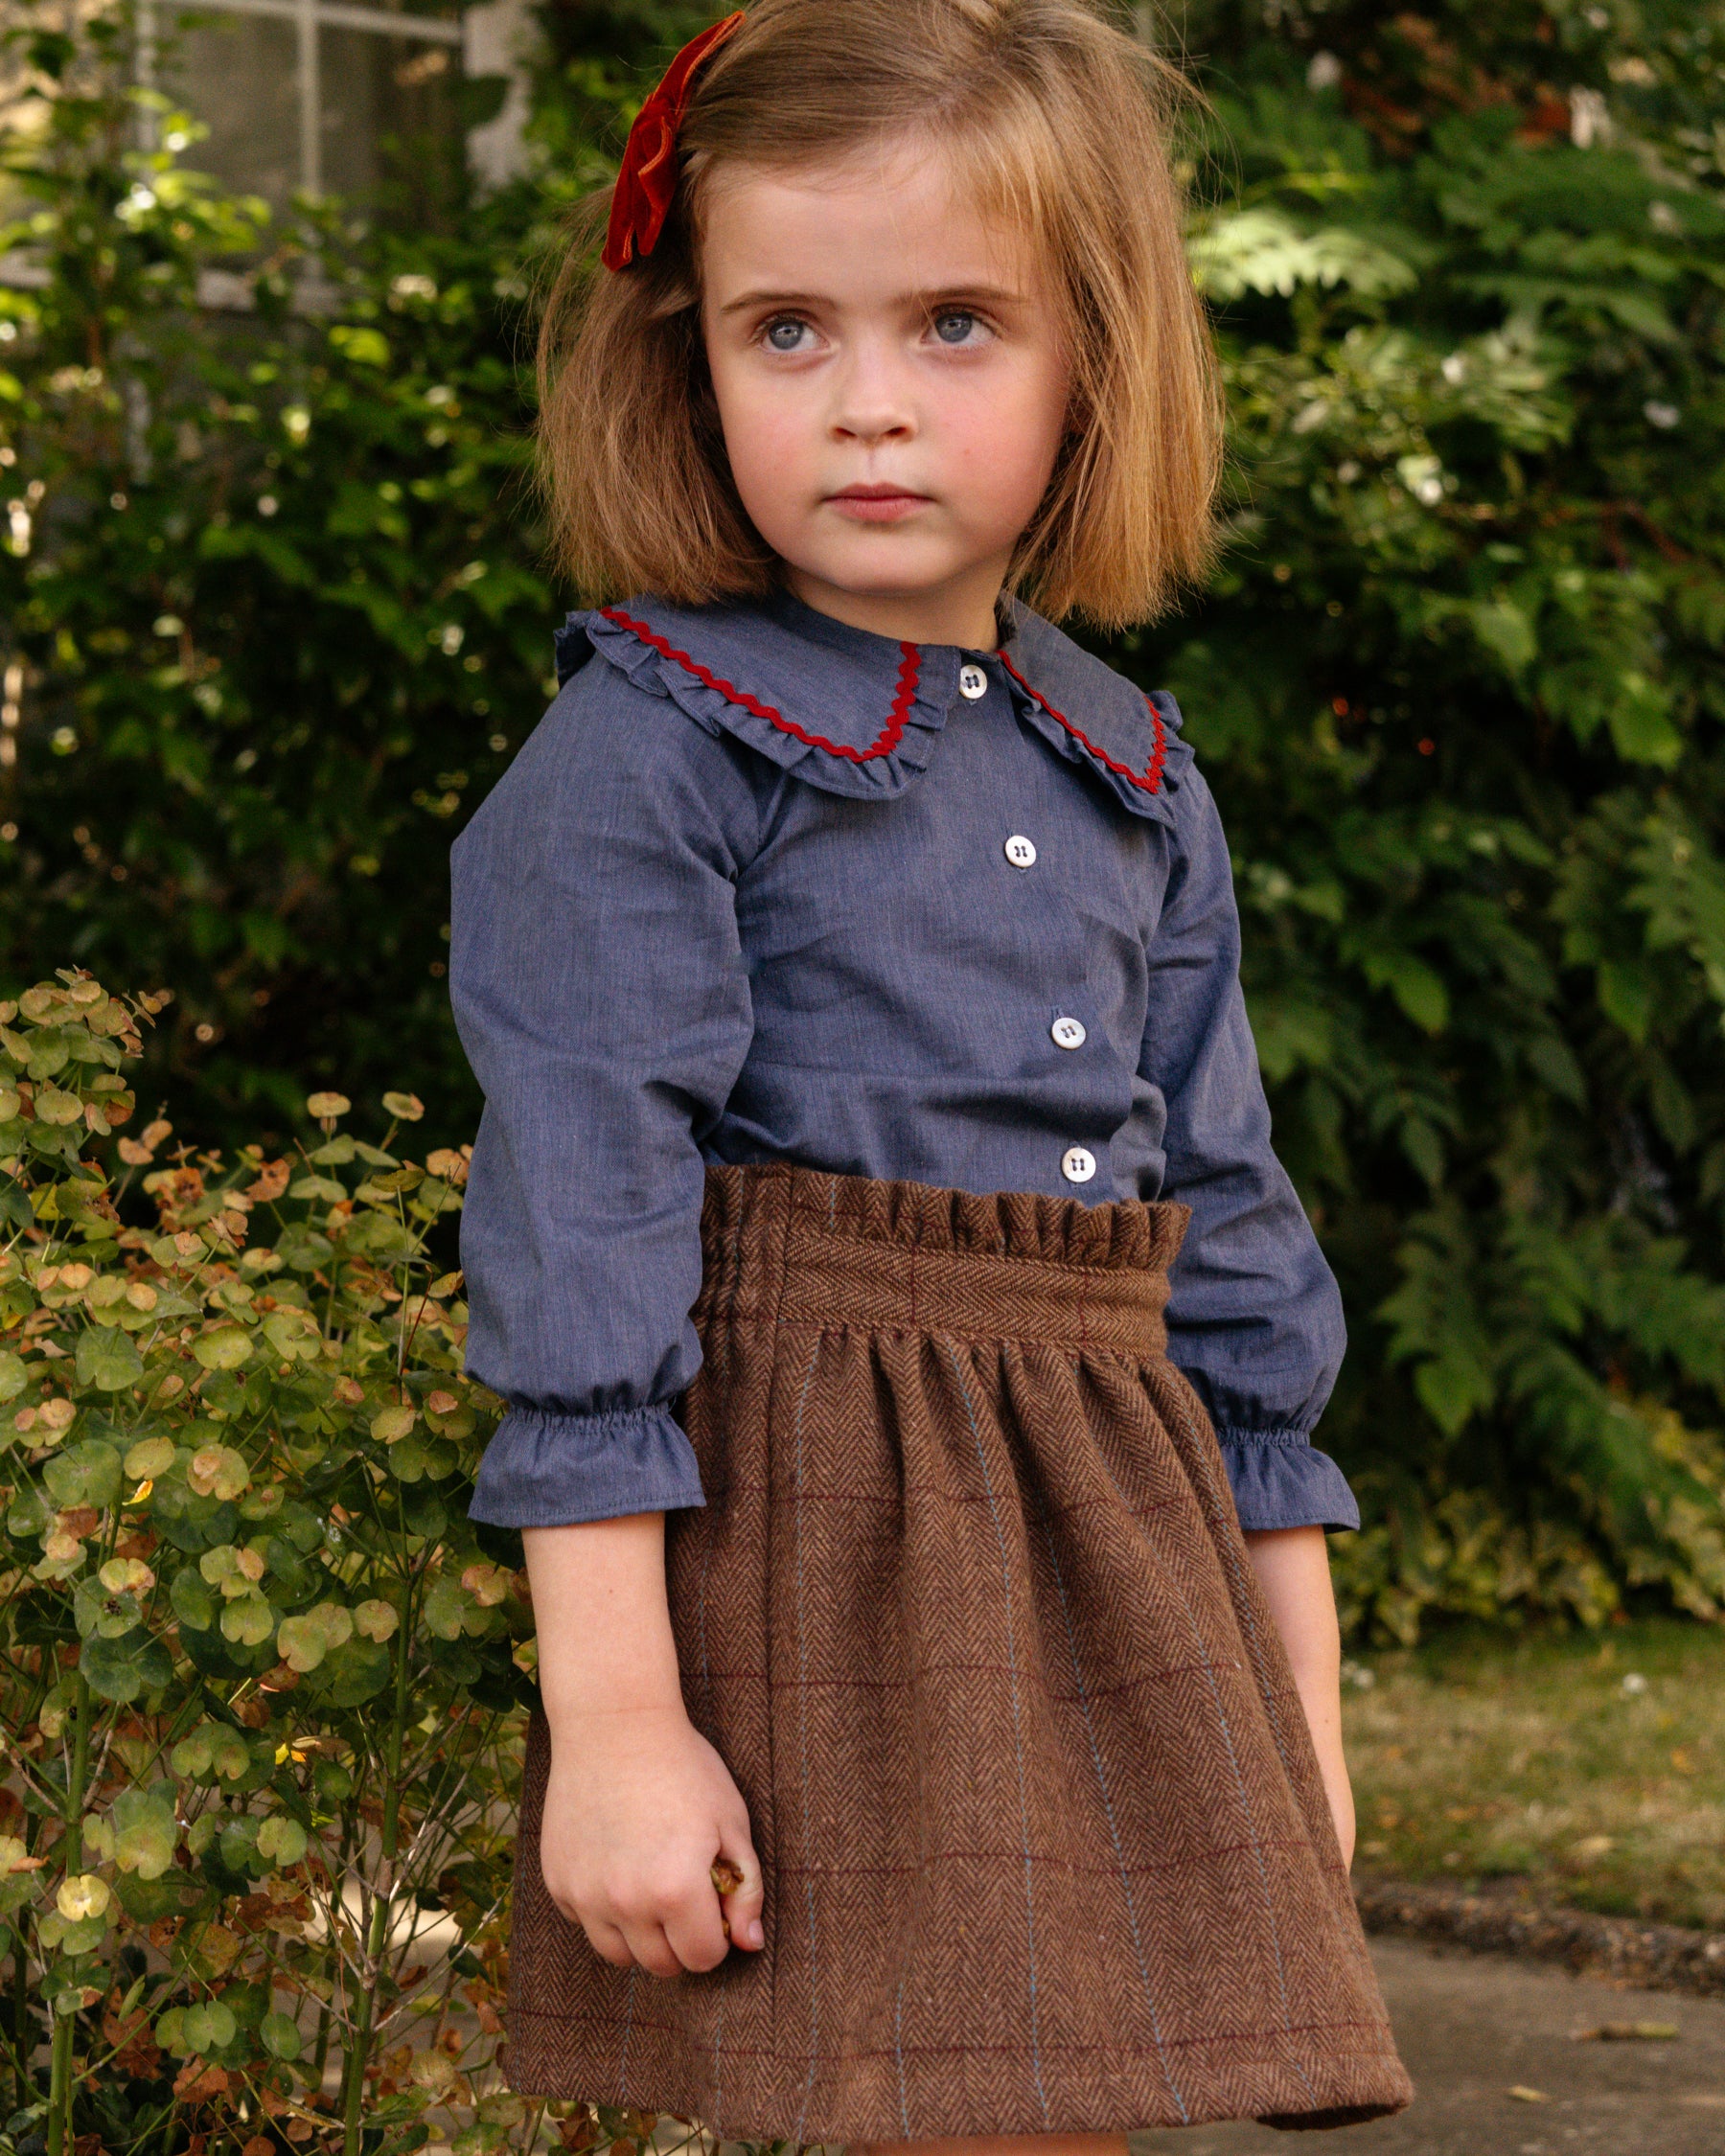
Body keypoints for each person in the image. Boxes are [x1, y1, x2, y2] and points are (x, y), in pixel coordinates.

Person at [448, 0, 1414, 2145]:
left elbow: (1231, 1269)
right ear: (683, 356)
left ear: (1098, 362)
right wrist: (615, 1721)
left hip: (1112, 1537)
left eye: (956, 324)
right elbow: (585, 1222)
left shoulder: (1136, 772)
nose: (867, 405)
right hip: (835, 1559)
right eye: (785, 329)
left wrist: (1299, 1731)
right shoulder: (649, 747)